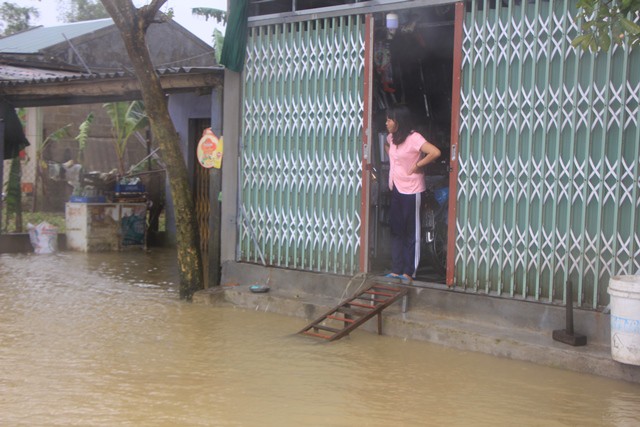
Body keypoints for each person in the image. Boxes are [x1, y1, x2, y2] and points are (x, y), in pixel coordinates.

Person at [384, 105, 441, 284]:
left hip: (413, 190)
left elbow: (435, 152)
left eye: (389, 119)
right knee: (396, 230)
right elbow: (390, 150)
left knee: (411, 231)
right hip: (397, 189)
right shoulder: (391, 138)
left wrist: (417, 165)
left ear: (399, 121)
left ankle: (409, 271)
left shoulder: (414, 138)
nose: (386, 123)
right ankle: (396, 269)